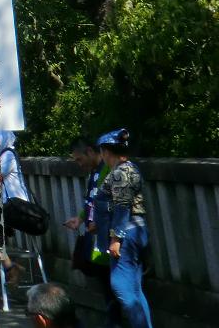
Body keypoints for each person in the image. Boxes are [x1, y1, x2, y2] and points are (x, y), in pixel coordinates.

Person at [97, 129, 153, 328]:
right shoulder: (129, 168)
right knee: (135, 290)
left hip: (126, 234)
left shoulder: (120, 172)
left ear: (106, 151)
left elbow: (122, 206)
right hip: (135, 231)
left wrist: (116, 238)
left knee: (121, 287)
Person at [64, 137, 115, 321]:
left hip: (110, 237)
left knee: (115, 286)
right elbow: (91, 201)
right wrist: (80, 218)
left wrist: (98, 222)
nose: (79, 164)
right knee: (105, 283)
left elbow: (112, 202)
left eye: (80, 159)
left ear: (90, 151)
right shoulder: (94, 172)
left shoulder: (107, 170)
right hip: (98, 238)